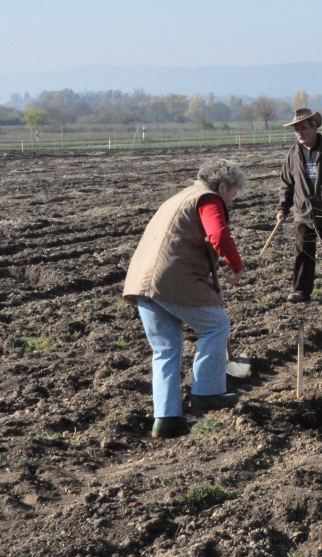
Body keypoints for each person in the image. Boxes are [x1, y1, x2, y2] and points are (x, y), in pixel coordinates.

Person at [123, 159, 246, 438]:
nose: (233, 201)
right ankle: (207, 393)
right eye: (234, 194)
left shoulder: (179, 198)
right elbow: (218, 235)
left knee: (165, 349)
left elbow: (182, 246)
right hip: (169, 281)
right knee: (216, 325)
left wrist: (211, 286)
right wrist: (236, 267)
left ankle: (166, 420)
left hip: (143, 281)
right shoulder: (208, 198)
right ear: (223, 186)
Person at [277, 108, 322, 303]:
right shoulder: (292, 154)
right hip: (303, 212)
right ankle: (301, 291)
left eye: (303, 128)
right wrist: (283, 209)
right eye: (296, 130)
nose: (300, 133)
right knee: (303, 252)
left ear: (314, 127)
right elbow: (287, 184)